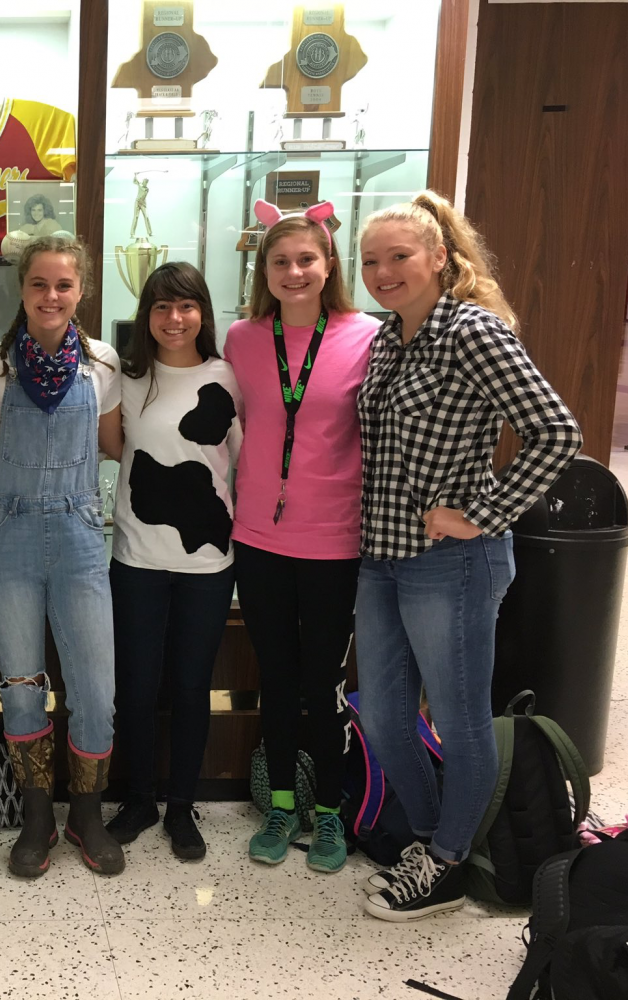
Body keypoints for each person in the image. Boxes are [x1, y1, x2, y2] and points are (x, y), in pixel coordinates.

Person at [354, 191, 581, 920]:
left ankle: (448, 861)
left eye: (398, 257)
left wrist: (477, 516)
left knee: (458, 717)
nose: (383, 272)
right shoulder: (388, 337)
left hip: (449, 564)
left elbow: (555, 431)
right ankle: (429, 840)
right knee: (386, 716)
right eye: (370, 262)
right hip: (380, 556)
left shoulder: (472, 333)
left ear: (440, 260)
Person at [224, 200, 380, 874]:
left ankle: (328, 816)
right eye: (280, 261)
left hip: (333, 541)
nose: (293, 272)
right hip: (257, 538)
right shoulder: (240, 339)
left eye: (305, 260)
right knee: (277, 680)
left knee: (322, 684)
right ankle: (281, 804)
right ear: (264, 269)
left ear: (327, 266)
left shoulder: (365, 335)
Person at [0, 235, 125, 877]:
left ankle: (86, 814)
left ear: (80, 290)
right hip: (8, 537)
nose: (51, 296)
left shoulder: (103, 364)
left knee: (95, 690)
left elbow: (113, 445)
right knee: (23, 686)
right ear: (22, 290)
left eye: (63, 285)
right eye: (39, 285)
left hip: (82, 536)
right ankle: (37, 817)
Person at [104, 262, 242, 861]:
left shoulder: (228, 377)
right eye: (161, 307)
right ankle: (139, 798)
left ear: (203, 314)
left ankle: (182, 807)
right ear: (146, 317)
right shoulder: (126, 379)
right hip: (136, 554)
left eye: (186, 306)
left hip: (209, 560)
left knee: (190, 685)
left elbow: (238, 463)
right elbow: (114, 449)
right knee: (135, 684)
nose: (174, 318)